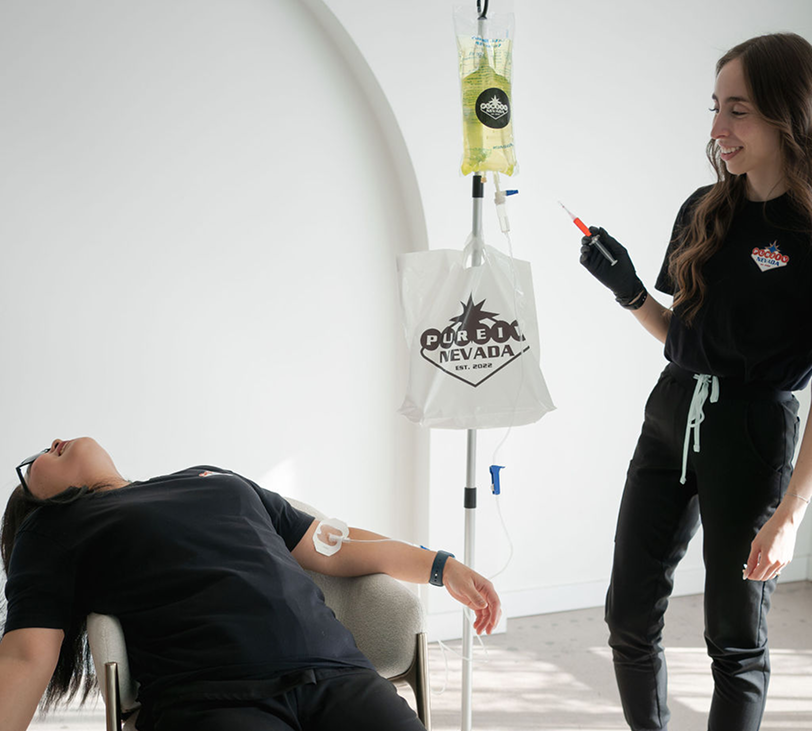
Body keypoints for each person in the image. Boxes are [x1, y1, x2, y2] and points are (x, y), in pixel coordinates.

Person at [579, 32, 812, 731]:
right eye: (716, 107)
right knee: (627, 614)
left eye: (737, 110)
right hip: (672, 411)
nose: (718, 130)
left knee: (734, 639)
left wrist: (790, 515)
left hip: (753, 431)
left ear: (787, 115)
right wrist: (625, 289)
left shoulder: (807, 235)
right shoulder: (704, 209)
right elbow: (685, 338)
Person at [0, 436, 501, 731]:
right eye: (36, 461)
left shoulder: (213, 477)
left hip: (337, 676)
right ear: (39, 505)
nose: (53, 444)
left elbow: (336, 544)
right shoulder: (53, 531)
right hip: (212, 699)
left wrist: (442, 566)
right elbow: (25, 656)